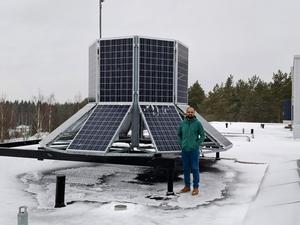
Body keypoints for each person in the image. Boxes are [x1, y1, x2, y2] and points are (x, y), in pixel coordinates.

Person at [177, 106, 205, 195]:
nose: (190, 113)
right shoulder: (182, 123)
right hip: (185, 150)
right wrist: (181, 144)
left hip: (194, 150)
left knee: (195, 169)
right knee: (186, 169)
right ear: (186, 113)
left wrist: (196, 144)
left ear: (194, 113)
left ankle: (196, 188)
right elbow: (179, 134)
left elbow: (202, 135)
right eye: (188, 112)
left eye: (191, 112)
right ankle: (187, 186)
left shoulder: (198, 123)